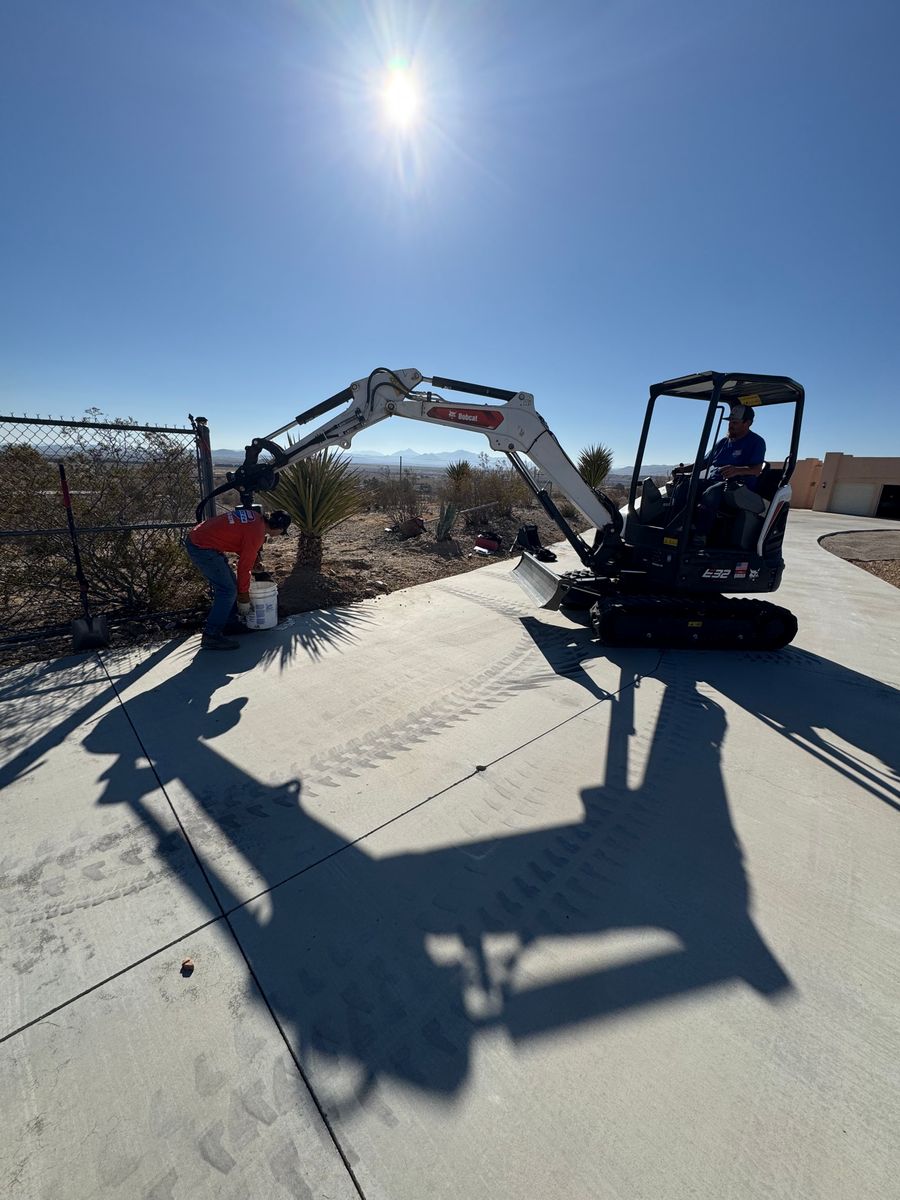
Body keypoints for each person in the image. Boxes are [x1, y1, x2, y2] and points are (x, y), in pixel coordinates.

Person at [185, 507, 292, 650]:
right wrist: (244, 596)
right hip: (202, 546)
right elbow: (243, 568)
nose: (280, 535)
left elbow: (236, 537)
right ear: (278, 527)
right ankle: (211, 635)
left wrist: (253, 558)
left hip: (202, 539)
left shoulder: (255, 518)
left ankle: (230, 624)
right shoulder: (257, 534)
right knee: (228, 591)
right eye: (282, 532)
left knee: (230, 588)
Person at [671, 404, 766, 542]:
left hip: (738, 487)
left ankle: (701, 535)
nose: (730, 426)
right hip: (714, 481)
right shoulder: (723, 442)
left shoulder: (756, 442)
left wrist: (737, 470)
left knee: (711, 493)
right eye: (730, 422)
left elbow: (757, 470)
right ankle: (679, 527)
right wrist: (683, 470)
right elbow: (704, 463)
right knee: (684, 486)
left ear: (748, 423)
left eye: (735, 423)